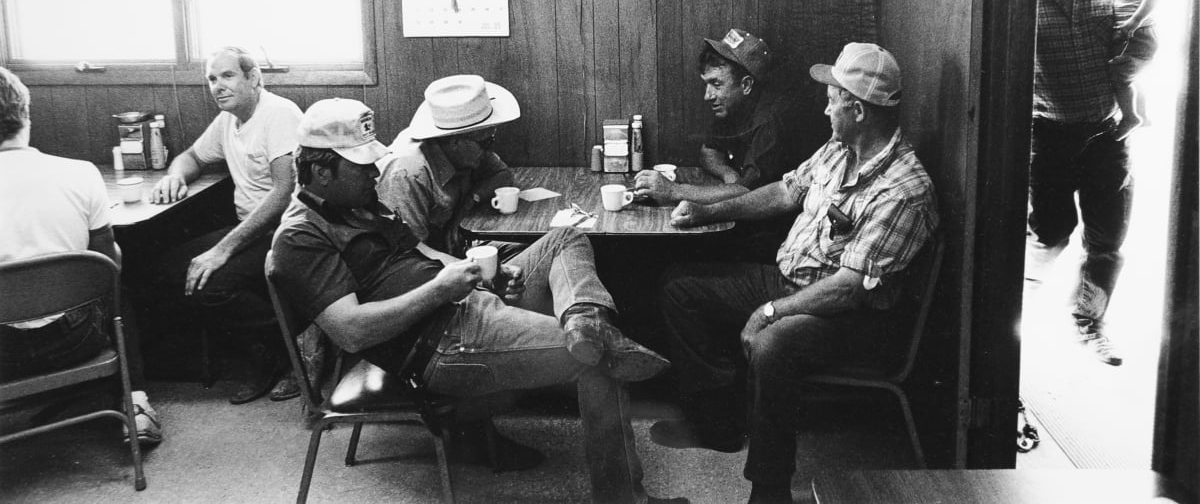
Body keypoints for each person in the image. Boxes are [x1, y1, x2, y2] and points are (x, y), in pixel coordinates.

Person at [270, 97, 687, 504]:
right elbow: (351, 331)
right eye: (361, 166)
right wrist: (442, 289)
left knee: (565, 237)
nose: (374, 173)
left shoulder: (359, 203)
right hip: (442, 342)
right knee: (600, 358)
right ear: (321, 172)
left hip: (463, 302)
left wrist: (478, 274)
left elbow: (423, 253)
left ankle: (583, 317)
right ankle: (623, 498)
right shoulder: (301, 237)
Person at [653, 43, 938, 504]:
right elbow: (783, 194)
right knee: (680, 286)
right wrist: (708, 212)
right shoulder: (839, 150)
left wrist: (768, 311)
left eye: (833, 98)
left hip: (849, 318)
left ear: (859, 110)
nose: (826, 107)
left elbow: (848, 291)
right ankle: (723, 423)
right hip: (793, 283)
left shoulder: (904, 190)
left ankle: (769, 490)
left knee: (773, 342)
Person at [0, 67, 162, 445]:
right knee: (118, 286)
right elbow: (109, 269)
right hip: (74, 338)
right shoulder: (80, 174)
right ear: (25, 114)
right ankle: (135, 404)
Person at [149, 46, 304, 403]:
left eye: (228, 76)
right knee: (167, 270)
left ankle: (285, 352)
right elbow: (192, 156)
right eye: (212, 79)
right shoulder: (228, 119)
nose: (218, 86)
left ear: (253, 78)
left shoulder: (279, 114)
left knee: (210, 283)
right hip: (249, 229)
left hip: (286, 231)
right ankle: (273, 348)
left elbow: (283, 194)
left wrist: (220, 251)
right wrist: (174, 177)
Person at [1026, 0, 1132, 366]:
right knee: (1049, 233)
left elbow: (1134, 50)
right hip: (1048, 135)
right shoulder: (1025, 2)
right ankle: (1010, 322)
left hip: (1106, 135)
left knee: (1106, 239)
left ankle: (1089, 323)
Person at [632, 29, 804, 262]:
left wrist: (673, 191)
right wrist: (729, 174)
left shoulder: (771, 121)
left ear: (745, 85)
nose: (707, 96)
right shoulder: (735, 106)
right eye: (706, 84)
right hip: (740, 221)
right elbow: (709, 151)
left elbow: (748, 194)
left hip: (770, 241)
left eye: (715, 84)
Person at [376, 74, 523, 259]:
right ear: (455, 141)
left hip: (452, 250)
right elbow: (409, 255)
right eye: (486, 142)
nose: (490, 149)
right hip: (420, 266)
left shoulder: (468, 147)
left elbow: (502, 174)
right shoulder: (407, 173)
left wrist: (467, 204)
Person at [1110, 0, 1158, 140]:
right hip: (1132, 33)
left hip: (1139, 33)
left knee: (1119, 73)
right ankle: (1141, 114)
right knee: (1129, 76)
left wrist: (1133, 22)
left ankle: (1130, 116)